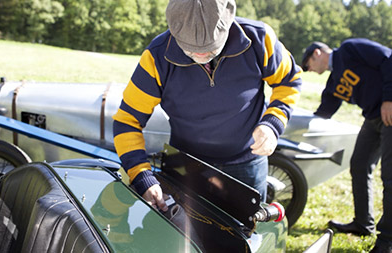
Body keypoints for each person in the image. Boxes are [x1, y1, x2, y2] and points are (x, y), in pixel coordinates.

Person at [113, 0, 302, 214]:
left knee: (245, 237)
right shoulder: (157, 57)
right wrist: (142, 176)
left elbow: (289, 79)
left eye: (210, 48)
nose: (201, 56)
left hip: (247, 163)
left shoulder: (260, 39)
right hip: (187, 163)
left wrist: (273, 123)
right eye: (190, 49)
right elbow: (127, 121)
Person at [302, 39, 392, 253]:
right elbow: (322, 113)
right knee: (359, 165)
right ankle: (363, 224)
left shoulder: (349, 49)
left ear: (317, 53)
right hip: (372, 118)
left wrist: (389, 98)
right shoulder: (334, 83)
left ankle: (387, 241)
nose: (311, 71)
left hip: (389, 111)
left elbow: (389, 59)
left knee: (389, 176)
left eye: (309, 65)